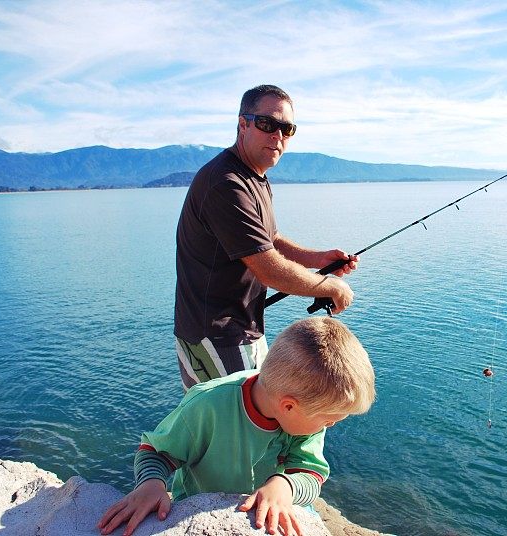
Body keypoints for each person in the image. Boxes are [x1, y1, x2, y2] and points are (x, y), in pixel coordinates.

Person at [97, 317, 375, 536]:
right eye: (330, 418)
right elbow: (157, 451)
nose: (333, 424)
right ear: (288, 406)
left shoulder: (304, 416)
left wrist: (285, 486)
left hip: (277, 507)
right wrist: (151, 484)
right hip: (201, 509)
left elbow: (311, 473)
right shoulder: (208, 405)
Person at [174, 84, 359, 391]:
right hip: (219, 336)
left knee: (248, 423)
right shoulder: (226, 183)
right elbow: (269, 269)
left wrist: (317, 259)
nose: (278, 136)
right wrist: (331, 287)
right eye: (267, 124)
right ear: (243, 124)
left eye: (287, 129)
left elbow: (267, 238)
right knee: (238, 431)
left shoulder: (254, 176)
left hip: (239, 329)